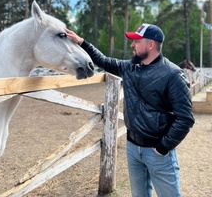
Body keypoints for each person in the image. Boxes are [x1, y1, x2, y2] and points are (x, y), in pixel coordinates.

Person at [66, 23, 194, 197]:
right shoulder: (129, 67)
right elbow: (103, 61)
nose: (132, 45)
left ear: (151, 44)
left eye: (137, 41)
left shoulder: (173, 74)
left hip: (158, 152)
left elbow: (185, 118)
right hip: (133, 148)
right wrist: (81, 42)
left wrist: (163, 148)